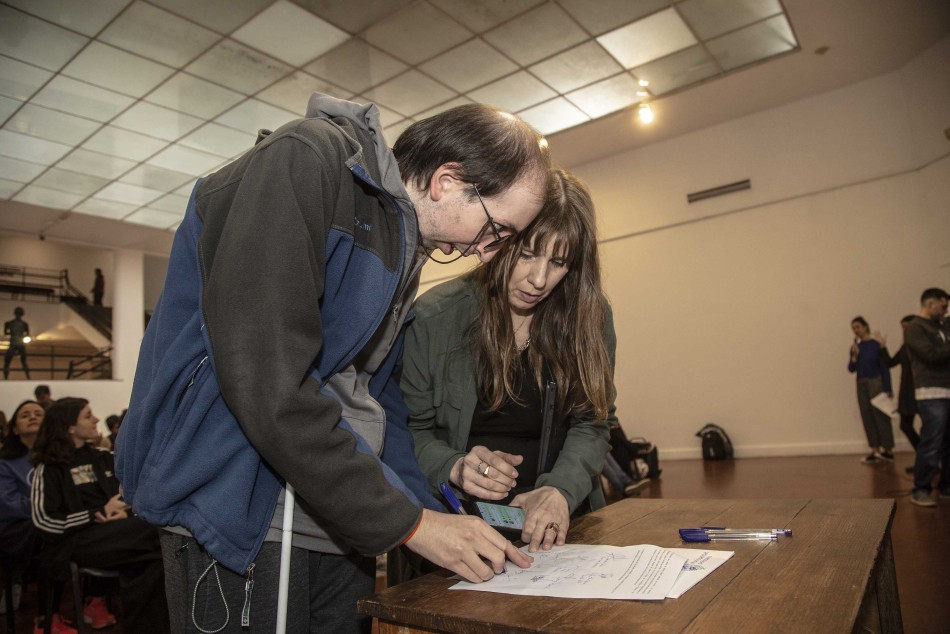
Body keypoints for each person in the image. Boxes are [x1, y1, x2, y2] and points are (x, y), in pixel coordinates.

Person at [115, 93, 550, 632]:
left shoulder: (404, 243)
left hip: (339, 513)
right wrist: (412, 524)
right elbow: (267, 378)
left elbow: (377, 400)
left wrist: (429, 513)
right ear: (447, 181)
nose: (488, 251)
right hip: (243, 504)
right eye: (496, 230)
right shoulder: (306, 159)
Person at [401, 169, 614, 556]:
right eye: (527, 254)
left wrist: (560, 491)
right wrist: (454, 466)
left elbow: (593, 422)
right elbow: (408, 432)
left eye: (558, 262)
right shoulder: (433, 318)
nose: (539, 279)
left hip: (560, 525)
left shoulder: (589, 317)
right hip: (461, 528)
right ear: (499, 239)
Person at [31, 397, 169, 633]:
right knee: (160, 532)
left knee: (155, 560)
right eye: (88, 416)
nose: (96, 420)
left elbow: (131, 496)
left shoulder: (103, 457)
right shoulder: (49, 468)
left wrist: (124, 514)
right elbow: (44, 522)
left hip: (119, 534)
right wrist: (96, 513)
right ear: (69, 427)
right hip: (77, 542)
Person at [1, 401, 76, 634]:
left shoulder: (60, 457)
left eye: (38, 413)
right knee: (52, 535)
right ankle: (46, 618)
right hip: (17, 529)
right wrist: (48, 508)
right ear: (15, 429)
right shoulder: (4, 462)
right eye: (25, 415)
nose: (32, 417)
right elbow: (8, 505)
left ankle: (91, 601)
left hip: (49, 524)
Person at [904, 288, 950, 507]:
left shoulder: (942, 326)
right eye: (943, 306)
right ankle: (921, 489)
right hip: (931, 392)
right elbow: (931, 356)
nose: (945, 311)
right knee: (932, 442)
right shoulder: (915, 327)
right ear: (930, 304)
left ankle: (946, 485)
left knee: (948, 443)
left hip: (947, 389)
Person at [848, 316, 895, 464]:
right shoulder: (856, 347)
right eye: (853, 328)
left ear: (865, 327)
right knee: (866, 415)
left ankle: (888, 450)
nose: (856, 330)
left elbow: (884, 367)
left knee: (880, 415)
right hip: (861, 382)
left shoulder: (876, 345)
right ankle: (875, 449)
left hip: (876, 381)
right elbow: (851, 368)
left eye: (858, 327)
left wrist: (888, 387)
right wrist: (854, 356)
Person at [881, 315, 921, 472]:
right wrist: (883, 347)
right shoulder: (905, 347)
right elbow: (890, 362)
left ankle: (927, 461)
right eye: (903, 328)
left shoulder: (920, 346)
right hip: (906, 391)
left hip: (919, 390)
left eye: (907, 327)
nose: (904, 331)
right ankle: (924, 458)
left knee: (928, 428)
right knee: (905, 425)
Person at [3, 307, 30, 380]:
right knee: (23, 362)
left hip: (13, 344)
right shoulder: (24, 324)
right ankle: (28, 378)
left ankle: (6, 379)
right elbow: (27, 334)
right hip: (19, 344)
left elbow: (5, 333)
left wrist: (13, 333)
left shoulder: (9, 323)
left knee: (7, 362)